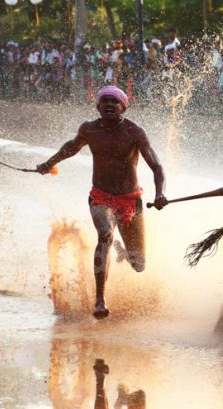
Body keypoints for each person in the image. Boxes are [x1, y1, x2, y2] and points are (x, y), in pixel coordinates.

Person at [36, 85, 167, 319]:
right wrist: (49, 163)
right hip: (101, 197)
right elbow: (70, 148)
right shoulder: (89, 130)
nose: (109, 105)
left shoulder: (134, 132)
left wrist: (160, 194)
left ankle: (121, 250)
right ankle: (99, 300)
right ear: (97, 106)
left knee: (139, 265)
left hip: (131, 200)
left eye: (114, 102)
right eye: (104, 101)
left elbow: (157, 167)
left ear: (123, 107)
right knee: (105, 234)